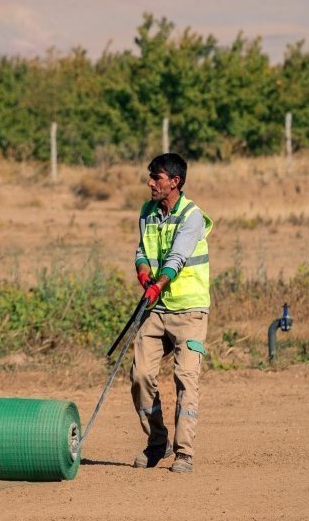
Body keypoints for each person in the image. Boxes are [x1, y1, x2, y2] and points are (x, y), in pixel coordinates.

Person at [130, 153, 213, 474]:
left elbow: (177, 257)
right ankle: (157, 442)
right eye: (150, 177)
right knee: (140, 376)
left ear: (175, 182)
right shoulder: (147, 212)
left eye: (157, 178)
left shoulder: (191, 216)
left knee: (185, 378)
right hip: (157, 309)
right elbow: (142, 249)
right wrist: (141, 271)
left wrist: (158, 282)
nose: (150, 183)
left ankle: (184, 453)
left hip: (190, 310)